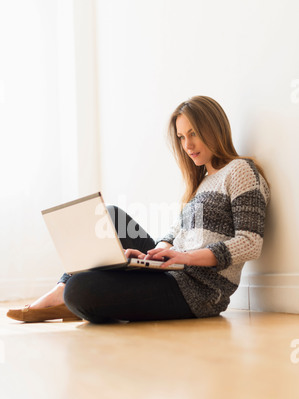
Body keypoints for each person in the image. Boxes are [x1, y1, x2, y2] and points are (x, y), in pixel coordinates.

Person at [7, 96, 270, 323]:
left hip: (200, 291)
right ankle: (59, 290)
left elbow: (250, 243)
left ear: (214, 129)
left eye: (194, 133)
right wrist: (152, 255)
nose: (187, 145)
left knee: (79, 290)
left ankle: (70, 296)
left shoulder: (240, 171)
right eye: (181, 137)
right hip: (174, 269)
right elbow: (175, 234)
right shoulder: (200, 182)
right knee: (108, 216)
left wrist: (187, 257)